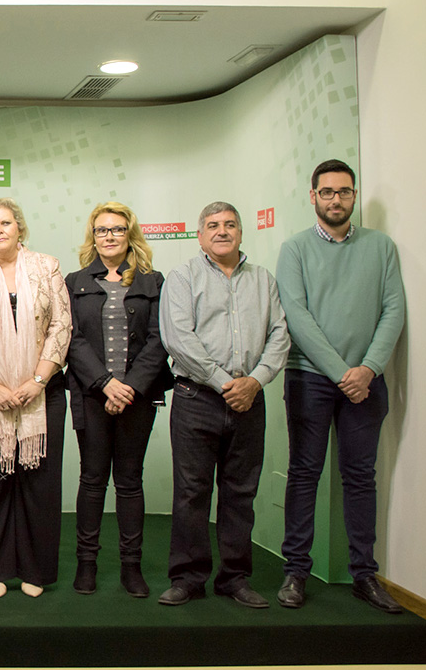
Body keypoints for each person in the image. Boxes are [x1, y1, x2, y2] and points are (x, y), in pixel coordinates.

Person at [275, 159, 406, 614]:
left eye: (344, 192)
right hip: (310, 377)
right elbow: (297, 317)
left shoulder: (381, 247)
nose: (336, 199)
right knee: (304, 474)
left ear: (354, 196)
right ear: (313, 197)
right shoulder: (293, 250)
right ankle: (296, 571)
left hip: (368, 383)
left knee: (360, 478)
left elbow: (394, 312)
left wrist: (367, 369)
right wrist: (342, 373)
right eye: (327, 192)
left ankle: (364, 575)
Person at [158, 201, 289, 608]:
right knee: (191, 494)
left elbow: (280, 334)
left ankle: (234, 578)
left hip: (250, 399)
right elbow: (178, 338)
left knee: (240, 493)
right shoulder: (182, 277)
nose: (222, 231)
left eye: (230, 224)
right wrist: (224, 381)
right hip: (197, 398)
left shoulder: (263, 280)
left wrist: (255, 381)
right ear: (200, 235)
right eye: (212, 225)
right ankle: (188, 577)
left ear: (241, 232)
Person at [0, 197, 71, 599]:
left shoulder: (47, 266)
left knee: (38, 483)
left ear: (19, 227)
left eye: (6, 223)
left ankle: (35, 571)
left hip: (43, 392)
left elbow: (61, 326)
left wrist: (38, 380)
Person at [64, 202, 172, 598]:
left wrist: (128, 388)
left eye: (117, 230)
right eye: (102, 230)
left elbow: (161, 339)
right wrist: (105, 383)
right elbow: (70, 339)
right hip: (92, 395)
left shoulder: (152, 281)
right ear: (93, 237)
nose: (109, 236)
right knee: (92, 481)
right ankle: (86, 565)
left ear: (131, 234)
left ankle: (131, 568)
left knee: (129, 482)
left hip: (137, 397)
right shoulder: (74, 281)